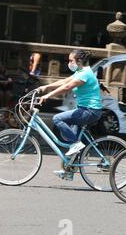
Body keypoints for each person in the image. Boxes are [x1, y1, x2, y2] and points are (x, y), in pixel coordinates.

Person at [37, 50, 102, 180]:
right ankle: (69, 172)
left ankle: (76, 144)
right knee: (74, 142)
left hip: (90, 111)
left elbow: (67, 87)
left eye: (71, 60)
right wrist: (45, 87)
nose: (69, 63)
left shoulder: (85, 74)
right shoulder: (80, 72)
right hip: (85, 109)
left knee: (57, 118)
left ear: (79, 61)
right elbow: (64, 81)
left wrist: (47, 96)